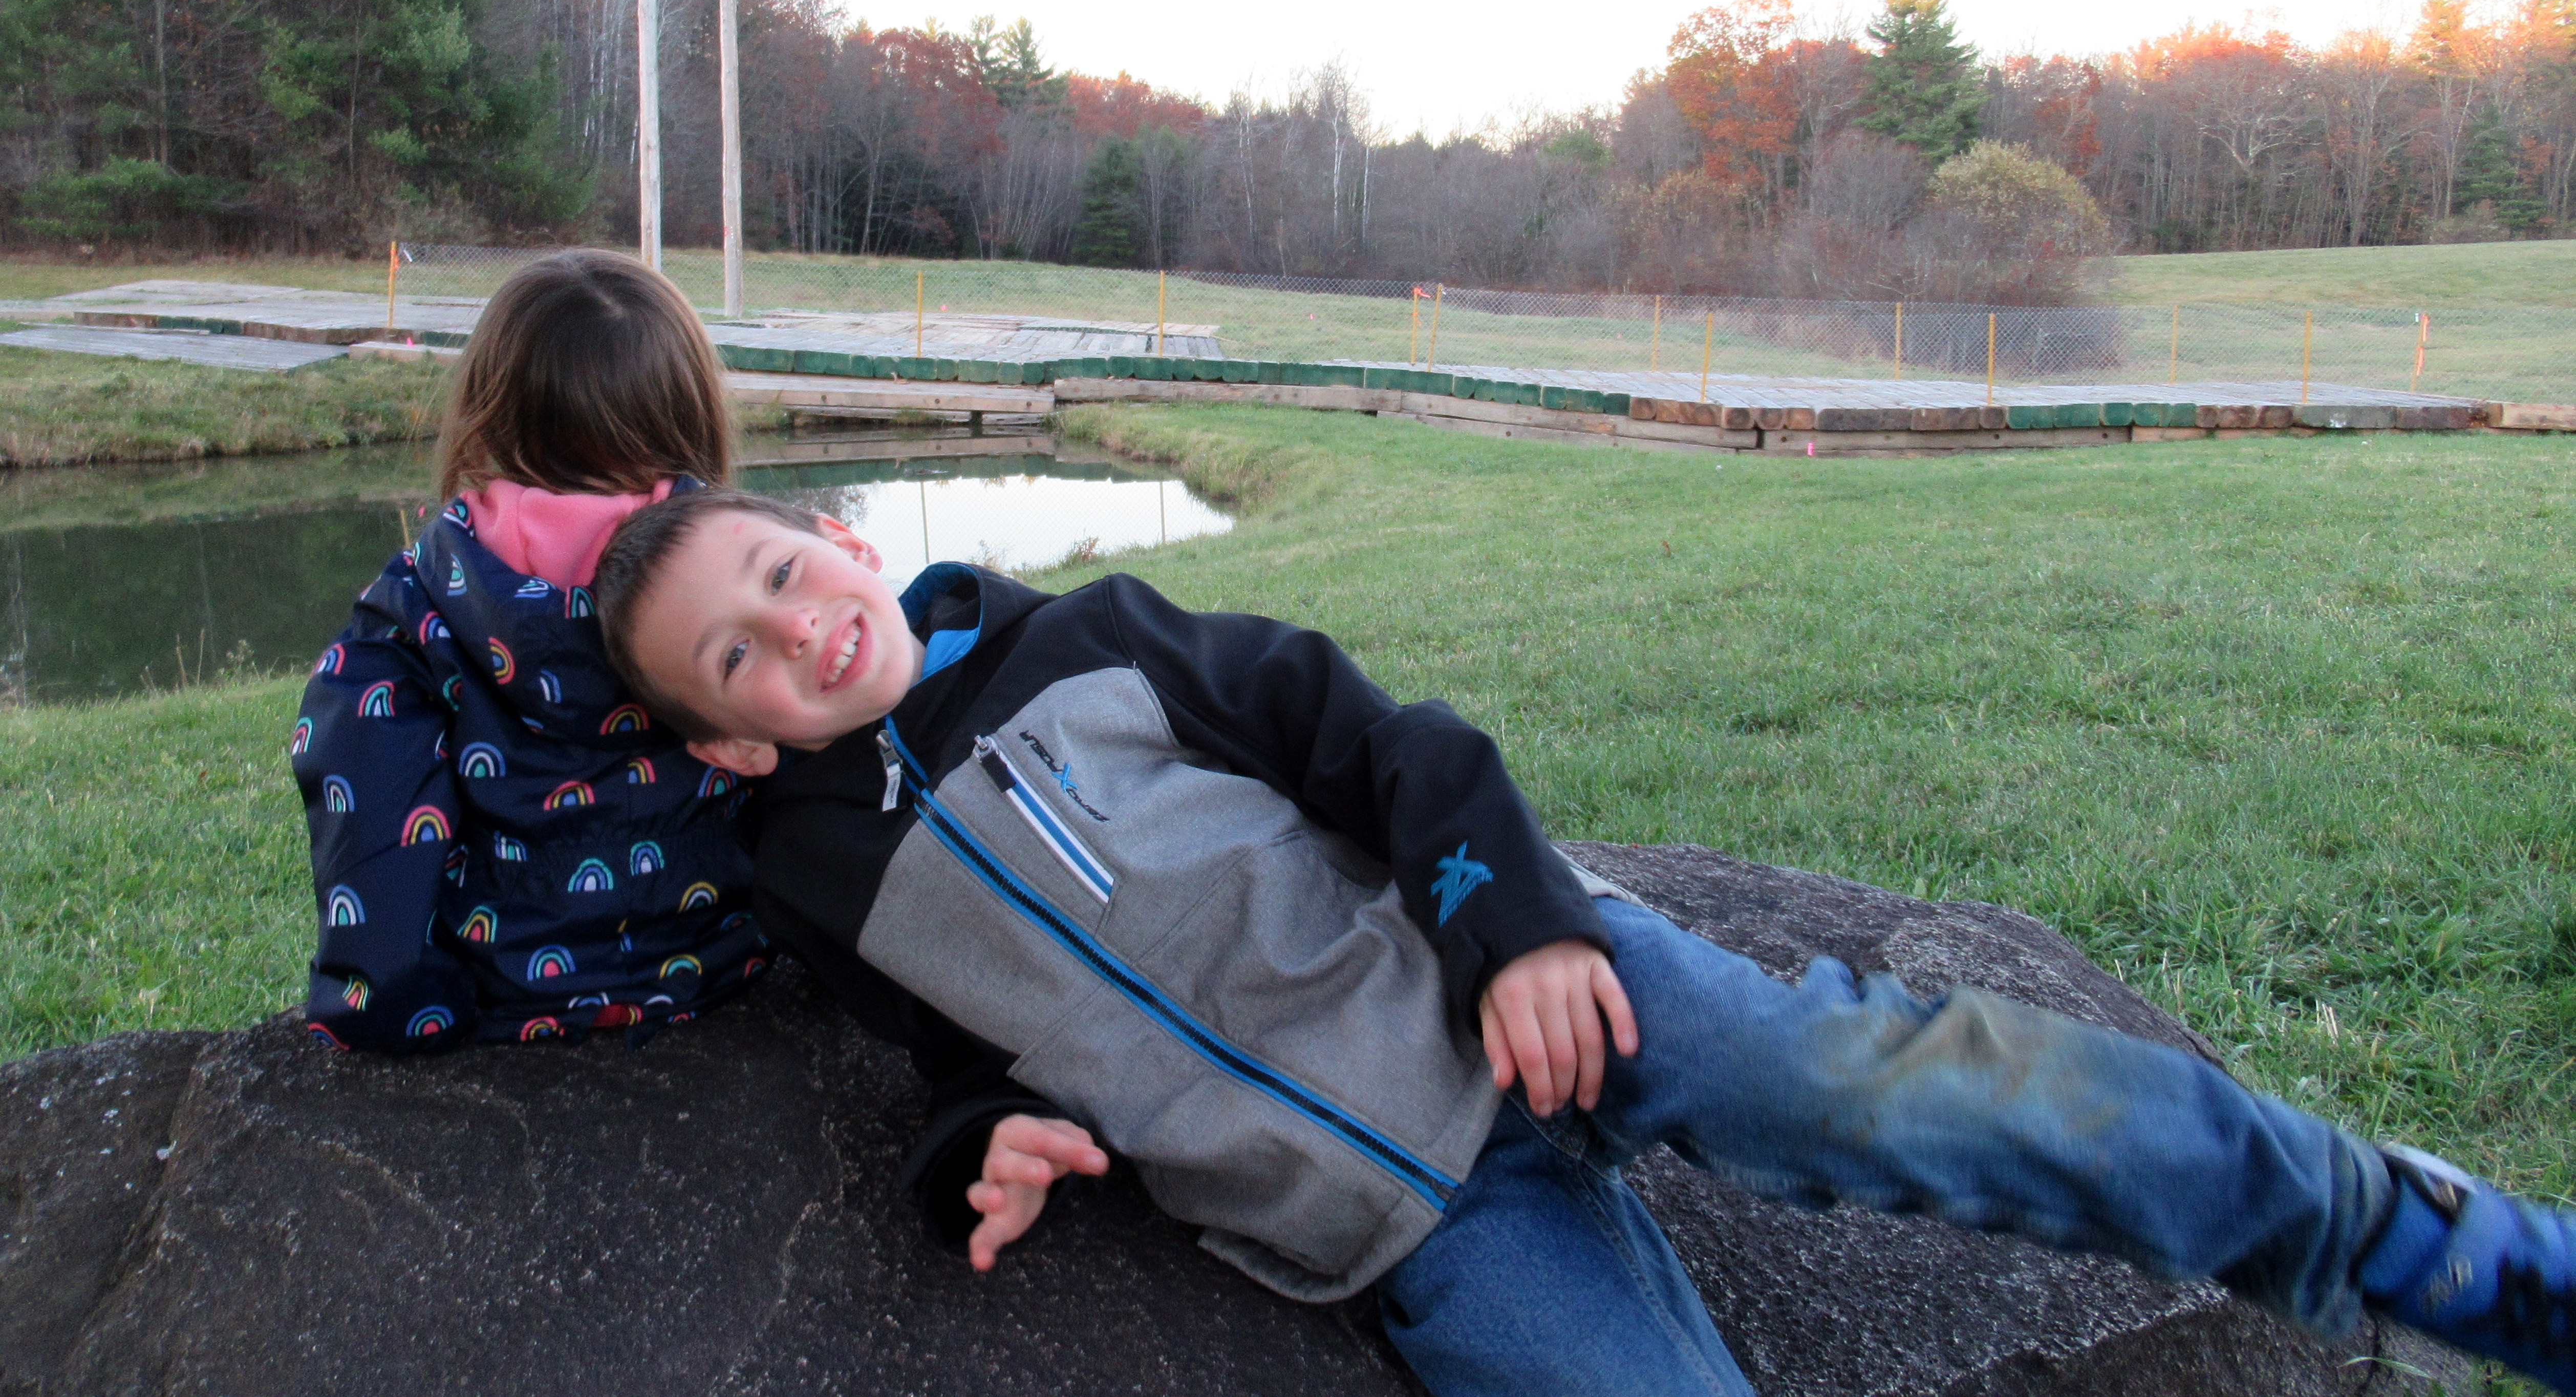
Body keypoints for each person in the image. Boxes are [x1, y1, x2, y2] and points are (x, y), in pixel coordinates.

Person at [590, 488, 2576, 1397]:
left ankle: (2396, 1233)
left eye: (779, 568)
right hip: (1414, 1217)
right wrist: (987, 1147)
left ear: (844, 533)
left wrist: (1523, 926)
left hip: (1546, 1004)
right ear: (722, 739)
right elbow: (959, 1052)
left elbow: (1385, 744)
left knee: (1881, 1089)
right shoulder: (817, 882)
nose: (793, 629)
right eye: (734, 656)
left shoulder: (1092, 637)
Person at [293, 251, 768, 1053]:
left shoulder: (414, 611)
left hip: (505, 996)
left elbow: (369, 814)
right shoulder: (757, 578)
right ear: (692, 414)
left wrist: (394, 1014)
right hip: (727, 966)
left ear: (487, 416)